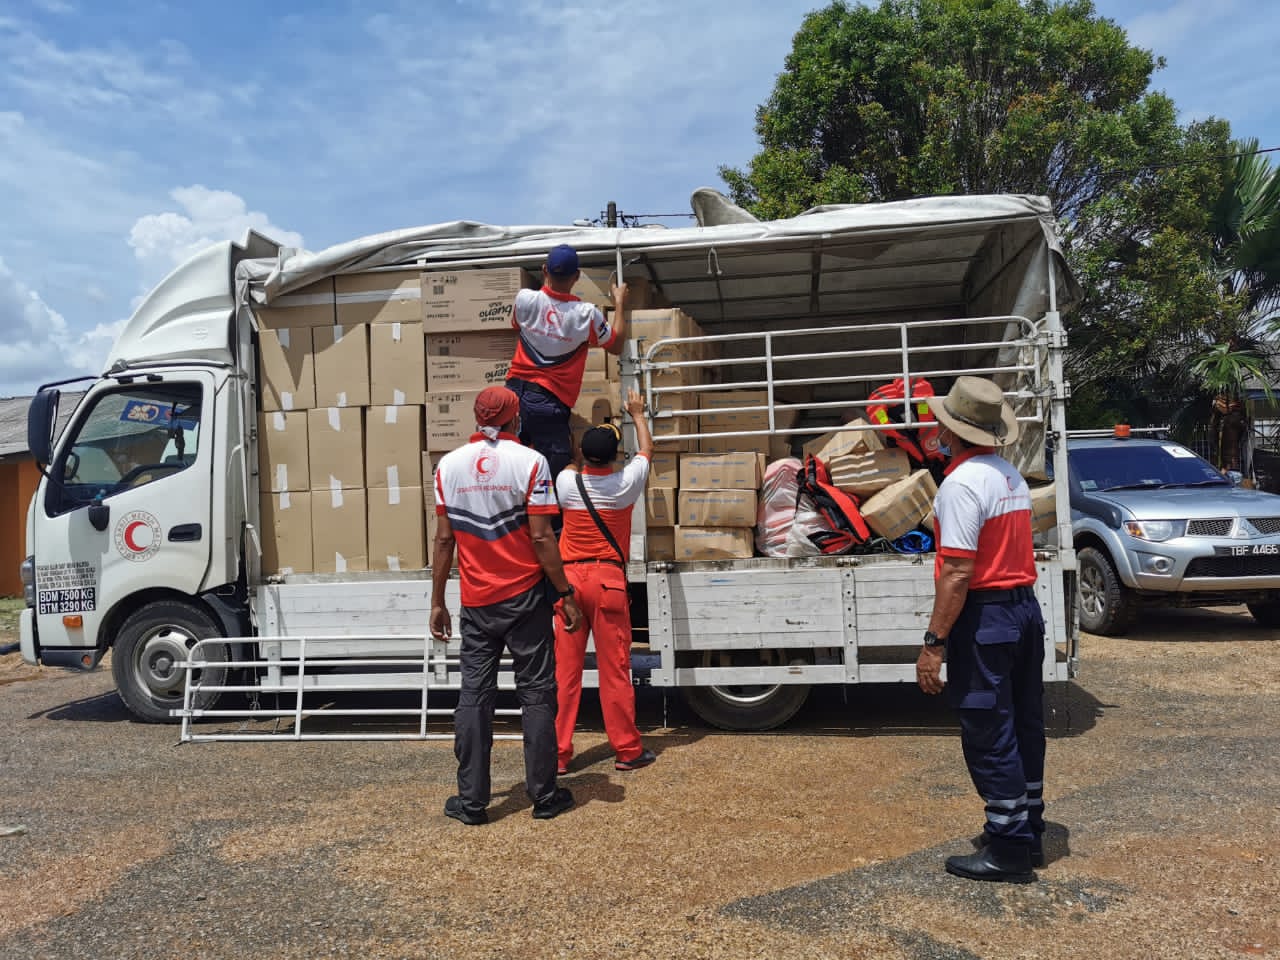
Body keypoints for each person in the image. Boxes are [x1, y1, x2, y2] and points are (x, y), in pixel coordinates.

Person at [429, 386, 584, 824]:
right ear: (517, 420)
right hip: (526, 599)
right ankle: (544, 796)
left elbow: (444, 541)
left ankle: (473, 802)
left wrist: (438, 600)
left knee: (474, 698)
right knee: (536, 696)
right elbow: (541, 536)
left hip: (477, 603)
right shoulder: (531, 463)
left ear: (476, 418)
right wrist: (565, 593)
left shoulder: (448, 466)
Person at [914, 376, 1046, 884]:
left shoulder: (961, 484)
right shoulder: (1008, 475)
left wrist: (934, 644)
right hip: (1023, 611)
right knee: (1025, 725)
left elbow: (958, 572)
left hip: (987, 616)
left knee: (989, 729)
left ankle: (1008, 848)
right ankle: (1026, 827)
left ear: (950, 433)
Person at [553, 388, 657, 775]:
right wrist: (637, 413)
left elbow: (567, 463)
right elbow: (647, 451)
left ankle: (559, 755)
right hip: (609, 580)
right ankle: (627, 750)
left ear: (582, 455)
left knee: (565, 672)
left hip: (570, 582)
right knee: (615, 670)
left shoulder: (566, 485)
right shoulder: (625, 485)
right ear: (615, 457)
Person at [506, 243, 628, 479]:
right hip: (547, 402)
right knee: (553, 481)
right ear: (577, 276)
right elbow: (616, 345)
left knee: (513, 473)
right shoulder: (586, 314)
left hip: (512, 397)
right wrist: (620, 302)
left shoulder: (524, 299)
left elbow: (516, 326)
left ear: (544, 270)